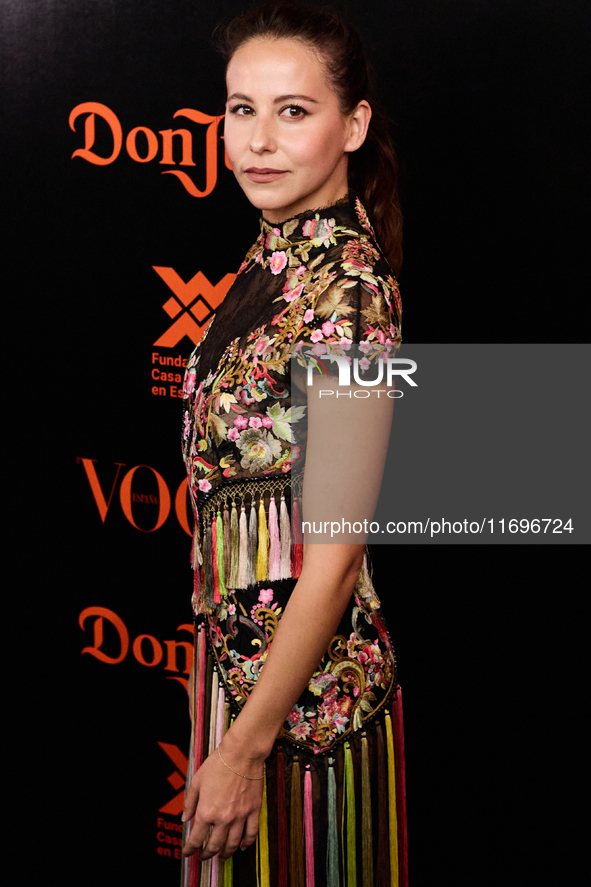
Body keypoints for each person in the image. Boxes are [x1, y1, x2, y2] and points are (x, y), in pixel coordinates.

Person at [180, 2, 407, 884]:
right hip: (244, 685)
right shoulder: (273, 255)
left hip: (305, 719)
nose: (258, 141)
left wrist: (243, 748)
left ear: (352, 126)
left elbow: (339, 555)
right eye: (241, 109)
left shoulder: (347, 293)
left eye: (294, 110)